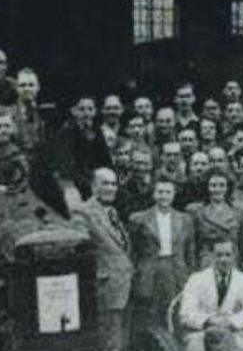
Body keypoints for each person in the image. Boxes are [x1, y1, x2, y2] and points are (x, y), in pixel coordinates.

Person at [128, 178, 195, 351]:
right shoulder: (139, 219)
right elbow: (133, 251)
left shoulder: (185, 219)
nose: (164, 196)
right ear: (153, 194)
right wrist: (137, 272)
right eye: (160, 192)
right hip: (150, 271)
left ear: (174, 195)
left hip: (176, 270)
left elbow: (190, 252)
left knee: (174, 313)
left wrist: (191, 275)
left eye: (168, 192)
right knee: (149, 316)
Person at [70, 168, 133, 351]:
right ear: (93, 186)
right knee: (108, 339)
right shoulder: (82, 212)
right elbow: (79, 248)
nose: (111, 188)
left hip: (123, 285)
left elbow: (121, 249)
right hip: (104, 287)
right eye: (105, 183)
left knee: (120, 339)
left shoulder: (112, 212)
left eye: (114, 184)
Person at [177, 239, 243, 351]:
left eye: (228, 255)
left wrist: (229, 322)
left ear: (234, 256)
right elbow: (186, 313)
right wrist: (210, 320)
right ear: (212, 256)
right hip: (201, 333)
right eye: (219, 255)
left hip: (234, 332)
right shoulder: (196, 279)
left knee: (240, 346)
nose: (223, 260)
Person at [44, 95, 113, 205]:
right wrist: (90, 181)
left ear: (95, 111)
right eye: (82, 109)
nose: (86, 114)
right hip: (74, 182)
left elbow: (105, 160)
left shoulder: (97, 132)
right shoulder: (65, 133)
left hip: (95, 180)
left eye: (90, 109)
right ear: (73, 111)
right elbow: (66, 166)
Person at [187, 170, 243, 264]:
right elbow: (193, 243)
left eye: (222, 185)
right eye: (213, 185)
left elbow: (242, 242)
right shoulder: (197, 212)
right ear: (207, 187)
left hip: (231, 259)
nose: (217, 189)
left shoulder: (238, 211)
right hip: (208, 260)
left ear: (227, 188)